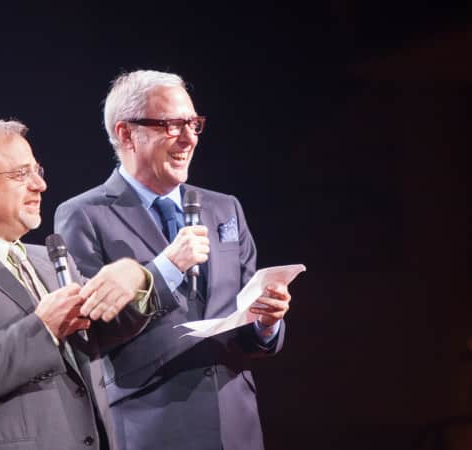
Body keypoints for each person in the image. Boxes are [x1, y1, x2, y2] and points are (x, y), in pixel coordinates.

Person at [55, 70, 293, 450]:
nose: (188, 139)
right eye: (171, 125)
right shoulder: (83, 215)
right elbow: (90, 334)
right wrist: (166, 268)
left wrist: (266, 323)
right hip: (152, 426)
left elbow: (245, 325)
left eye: (193, 124)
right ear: (125, 133)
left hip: (237, 426)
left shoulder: (223, 207)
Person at [0, 119, 156, 450]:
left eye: (37, 171)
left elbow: (94, 335)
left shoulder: (46, 259)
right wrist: (43, 327)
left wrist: (138, 280)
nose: (39, 185)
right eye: (20, 174)